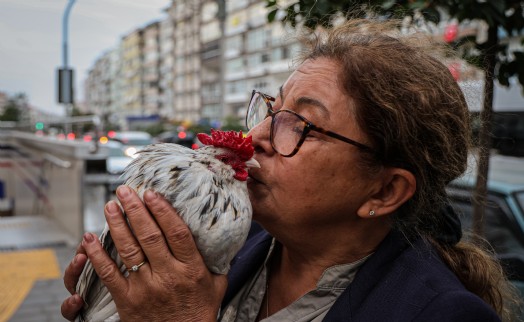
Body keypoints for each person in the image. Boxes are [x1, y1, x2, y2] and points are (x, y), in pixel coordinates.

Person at [61, 18, 522, 321]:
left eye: (300, 125)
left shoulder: (436, 314)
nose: (258, 136)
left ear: (384, 192)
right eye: (271, 109)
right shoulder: (229, 244)